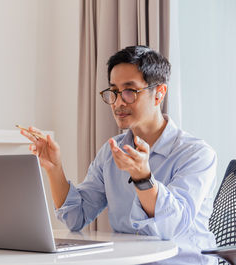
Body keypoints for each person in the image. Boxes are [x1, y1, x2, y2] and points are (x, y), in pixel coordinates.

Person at [20, 46, 217, 264]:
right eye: (113, 91)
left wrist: (144, 179)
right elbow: (76, 217)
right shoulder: (111, 152)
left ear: (159, 93)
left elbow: (170, 228)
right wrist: (54, 168)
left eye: (130, 91)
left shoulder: (197, 155)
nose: (118, 102)